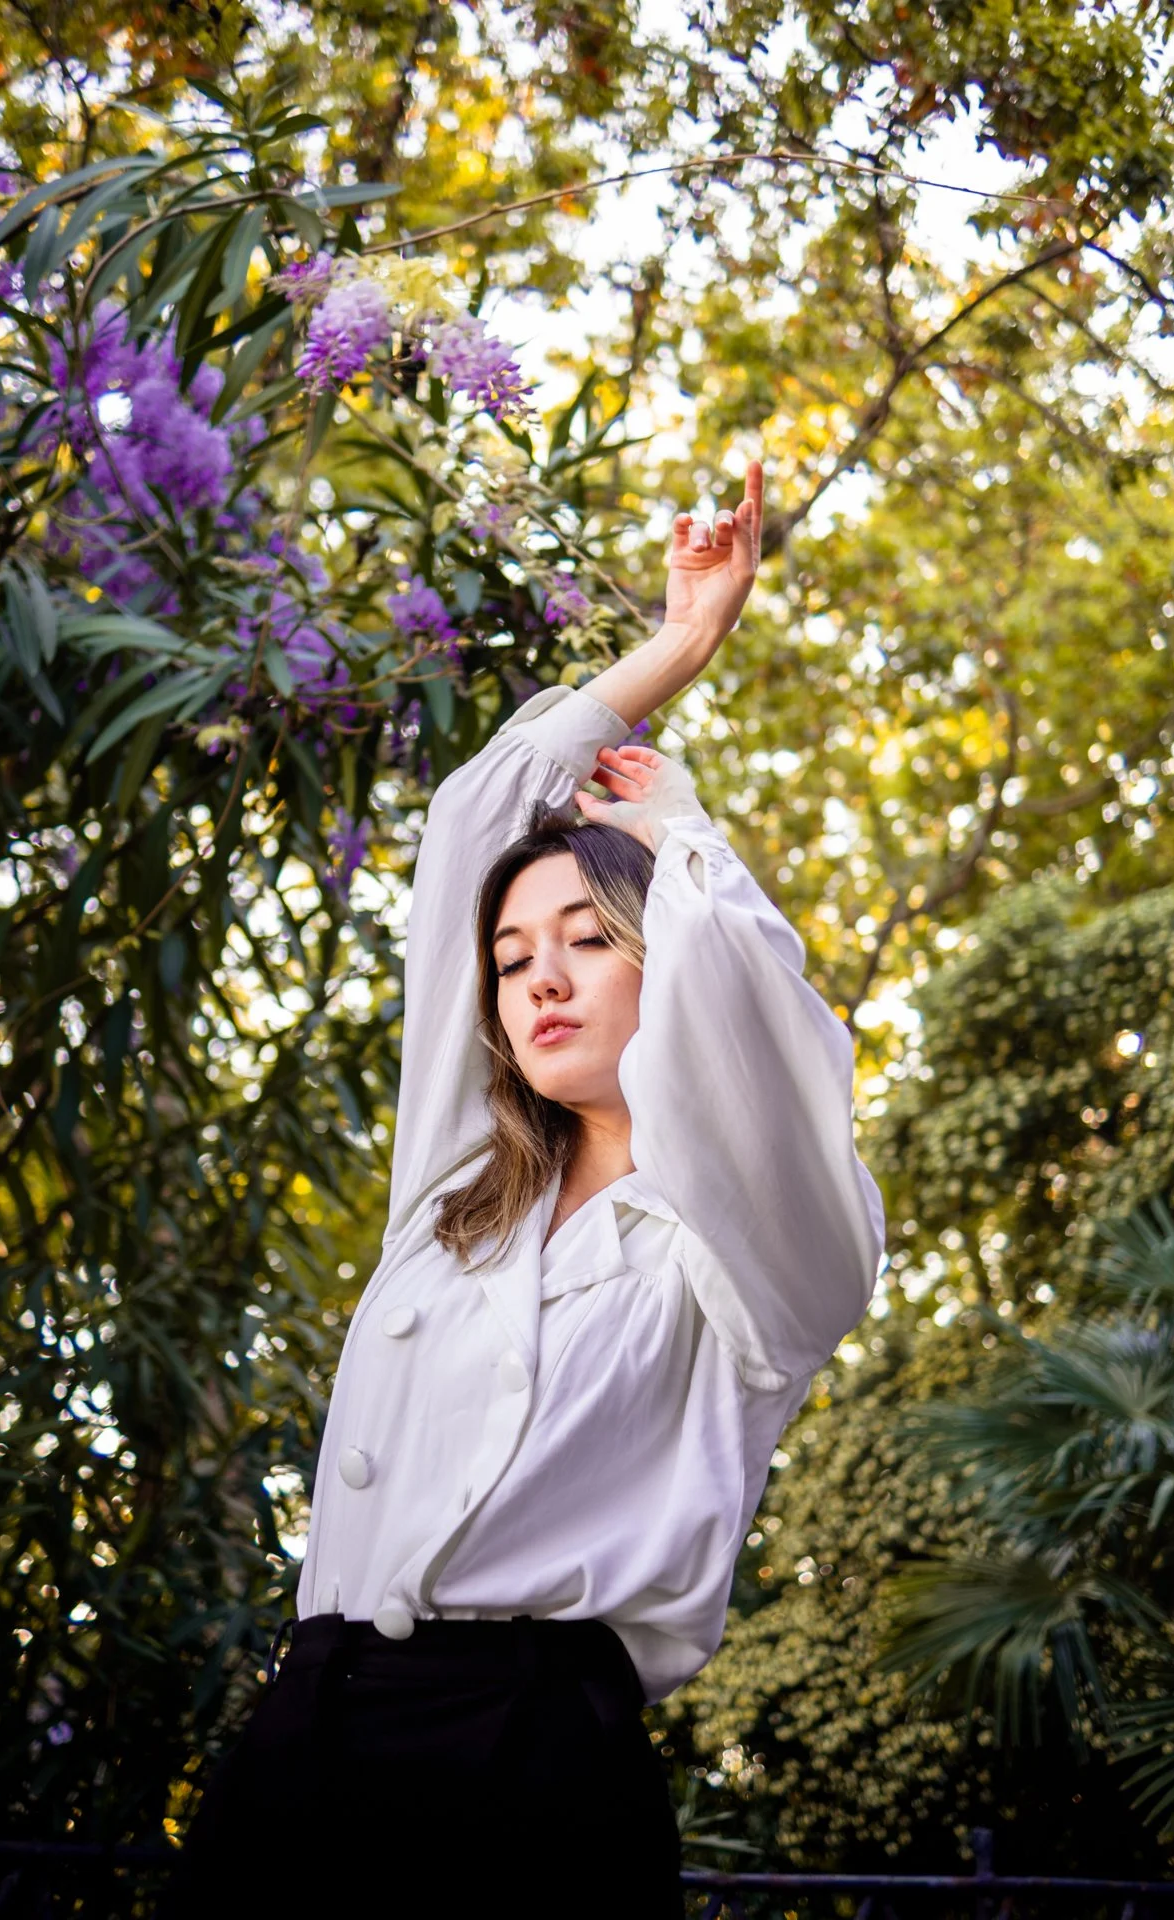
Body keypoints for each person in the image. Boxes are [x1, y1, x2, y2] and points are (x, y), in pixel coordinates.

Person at [161, 459, 884, 1917]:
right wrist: (682, 643)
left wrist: (677, 830)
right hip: (309, 1735)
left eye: (588, 941)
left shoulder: (751, 1257)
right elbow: (477, 816)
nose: (539, 975)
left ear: (662, 948)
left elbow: (761, 1022)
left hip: (532, 1763)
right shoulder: (455, 1195)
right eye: (511, 957)